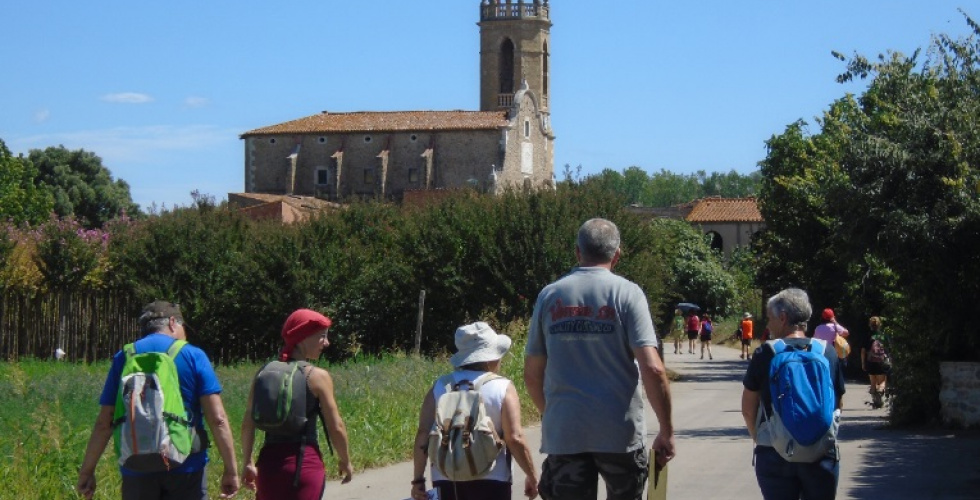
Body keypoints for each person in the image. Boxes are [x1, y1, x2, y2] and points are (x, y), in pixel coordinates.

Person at [525, 218, 675, 500]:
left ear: (577, 252)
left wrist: (552, 414)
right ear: (616, 254)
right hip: (619, 434)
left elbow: (532, 374)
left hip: (565, 432)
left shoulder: (549, 296)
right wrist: (666, 430)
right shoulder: (628, 294)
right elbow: (653, 368)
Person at [77, 301, 240, 500]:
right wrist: (231, 470)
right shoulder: (193, 355)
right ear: (173, 322)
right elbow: (218, 419)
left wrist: (87, 471)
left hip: (136, 469)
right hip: (186, 468)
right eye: (183, 327)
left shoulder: (124, 357)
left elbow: (105, 422)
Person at [411, 322, 538, 500]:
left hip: (446, 479)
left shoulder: (440, 386)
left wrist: (417, 480)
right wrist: (531, 476)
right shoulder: (502, 387)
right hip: (492, 479)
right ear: (490, 358)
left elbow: (423, 433)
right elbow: (514, 437)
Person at [741, 288, 846, 500]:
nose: (768, 324)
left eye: (770, 318)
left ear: (783, 318)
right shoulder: (827, 351)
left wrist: (762, 438)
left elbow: (748, 409)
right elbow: (837, 403)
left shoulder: (765, 353)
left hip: (774, 453)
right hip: (820, 453)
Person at [241, 309, 353, 499]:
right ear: (303, 337)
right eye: (322, 336)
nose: (326, 343)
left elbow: (247, 423)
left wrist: (247, 462)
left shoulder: (264, 372)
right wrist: (345, 460)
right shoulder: (317, 376)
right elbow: (336, 426)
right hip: (304, 468)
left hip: (268, 468)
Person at [862, 316, 891, 409]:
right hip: (881, 362)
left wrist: (863, 363)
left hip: (870, 362)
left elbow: (863, 351)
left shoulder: (867, 336)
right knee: (882, 382)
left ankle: (876, 402)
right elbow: (888, 349)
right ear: (879, 324)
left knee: (873, 382)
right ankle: (880, 392)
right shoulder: (883, 335)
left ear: (870, 325)